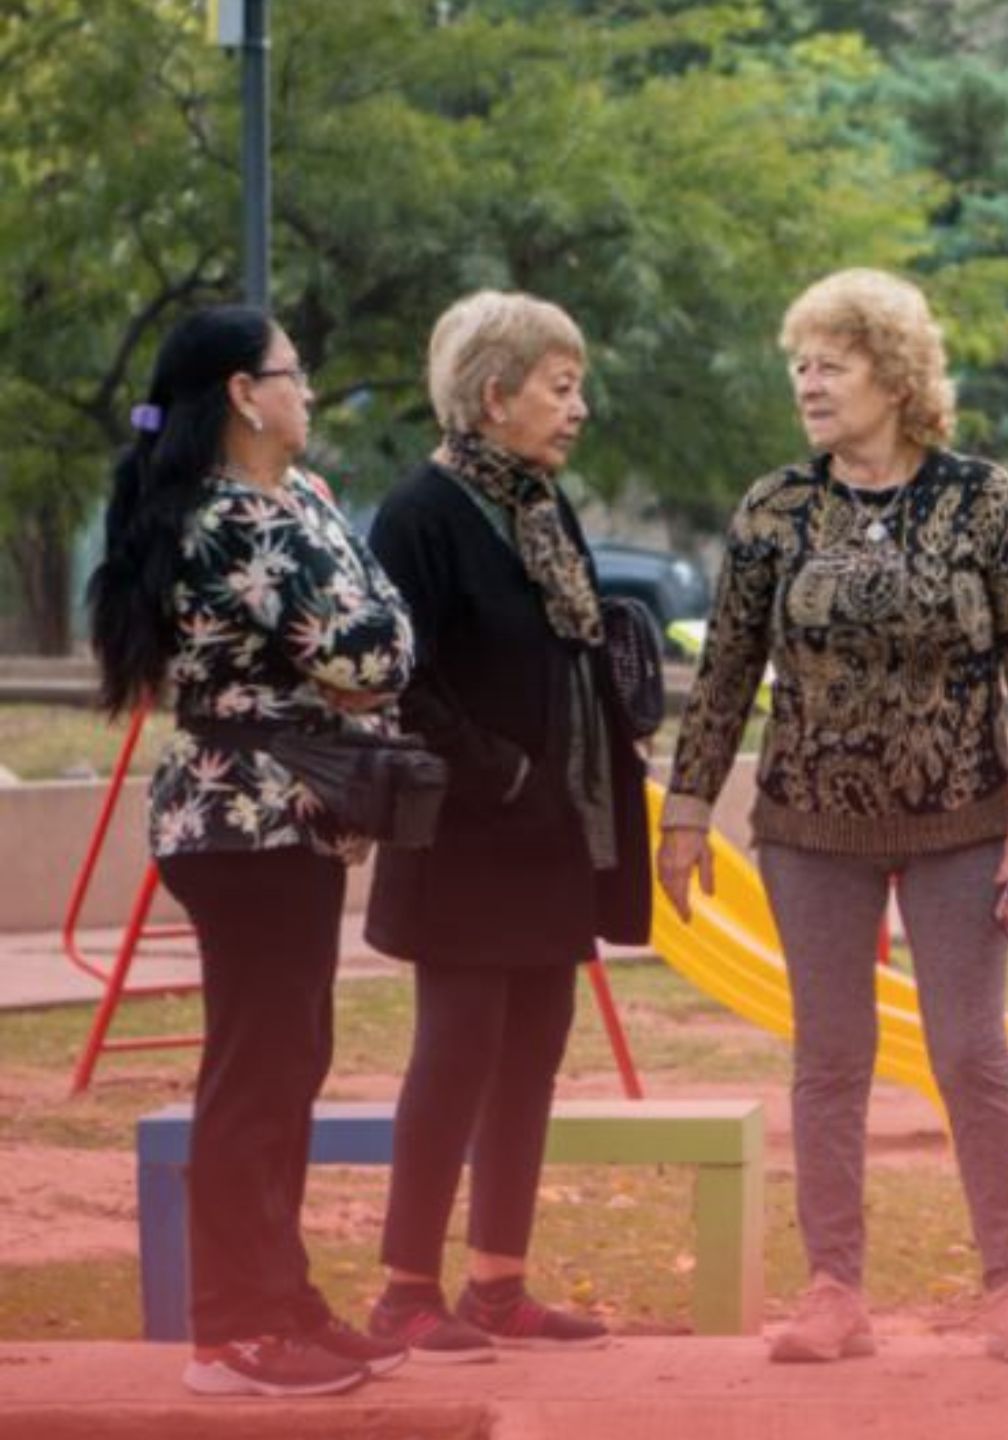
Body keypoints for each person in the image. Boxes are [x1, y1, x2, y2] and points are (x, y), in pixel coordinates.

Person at [657, 268, 1008, 1366]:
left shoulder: (985, 500)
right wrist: (687, 807)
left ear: (894, 375)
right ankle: (833, 1289)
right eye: (800, 362)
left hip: (962, 821)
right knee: (829, 1057)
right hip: (807, 825)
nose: (809, 381)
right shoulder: (773, 509)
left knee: (969, 1051)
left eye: (831, 362)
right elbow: (727, 668)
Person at [87, 305, 417, 1396]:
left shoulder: (299, 499)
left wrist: (359, 638)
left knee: (290, 1067)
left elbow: (382, 638)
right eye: (295, 372)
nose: (310, 390)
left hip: (287, 819)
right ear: (243, 392)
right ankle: (232, 1331)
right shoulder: (229, 518)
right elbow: (371, 653)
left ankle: (285, 1302)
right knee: (255, 1077)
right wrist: (356, 642)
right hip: (242, 820)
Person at [361, 291, 651, 1360]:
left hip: (550, 840)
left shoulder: (539, 505)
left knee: (532, 1055)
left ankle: (496, 1286)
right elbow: (404, 686)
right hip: (467, 837)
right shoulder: (419, 515)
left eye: (577, 385)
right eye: (559, 386)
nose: (578, 407)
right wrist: (511, 774)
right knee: (454, 1056)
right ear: (494, 395)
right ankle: (403, 1292)